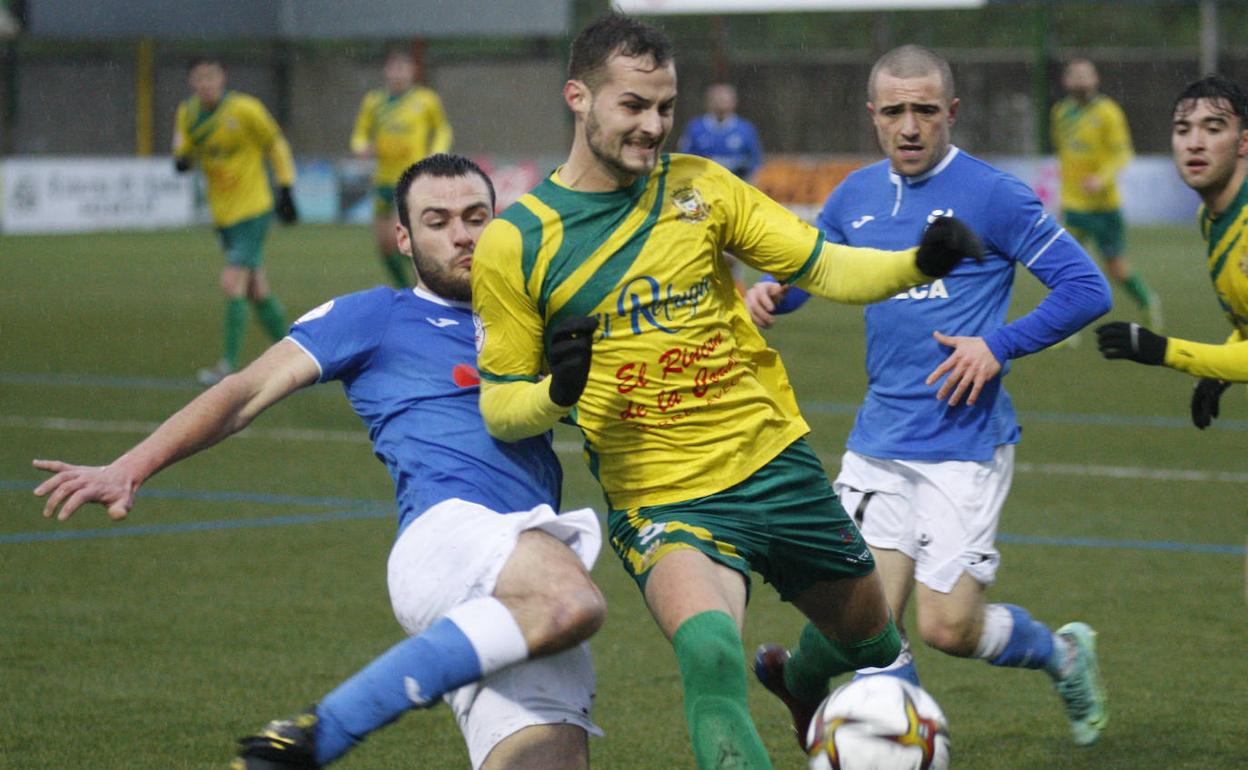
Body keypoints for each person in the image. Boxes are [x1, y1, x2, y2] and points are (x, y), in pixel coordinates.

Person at [470, 14, 981, 769]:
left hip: (773, 463)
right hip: (662, 495)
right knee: (708, 651)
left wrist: (918, 263)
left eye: (664, 108)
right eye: (633, 106)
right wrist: (557, 391)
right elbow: (501, 406)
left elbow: (823, 266)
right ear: (578, 98)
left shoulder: (702, 189)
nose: (653, 127)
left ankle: (800, 678)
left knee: (869, 641)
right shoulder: (518, 240)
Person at [33, 155, 606, 770]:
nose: (462, 235)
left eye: (476, 217)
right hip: (452, 535)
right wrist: (130, 467)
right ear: (404, 239)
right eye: (437, 221)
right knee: (573, 603)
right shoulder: (376, 316)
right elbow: (243, 393)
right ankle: (322, 731)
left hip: (524, 563)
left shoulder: (533, 321)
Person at [745, 45, 1112, 748]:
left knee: (949, 628)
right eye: (894, 112)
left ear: (951, 112)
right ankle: (863, 723)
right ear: (873, 117)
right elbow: (816, 269)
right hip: (880, 439)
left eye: (923, 110)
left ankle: (1064, 653)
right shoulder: (853, 195)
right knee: (869, 625)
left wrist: (996, 346)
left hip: (964, 444)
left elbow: (1086, 289)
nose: (909, 126)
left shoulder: (995, 195)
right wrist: (774, 292)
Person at [1096, 74, 1248, 428]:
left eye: (1213, 129)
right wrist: (1219, 372)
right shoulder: (1212, 218)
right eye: (1183, 130)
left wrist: (1167, 351)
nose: (1195, 143)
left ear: (1243, 143)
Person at [173, 57, 300, 387]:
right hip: (224, 215)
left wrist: (286, 186)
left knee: (233, 282)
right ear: (192, 83)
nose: (206, 84)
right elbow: (183, 152)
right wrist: (182, 159)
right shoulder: (187, 113)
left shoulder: (245, 109)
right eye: (199, 79)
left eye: (211, 77)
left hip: (253, 209)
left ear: (222, 78)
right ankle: (299, 356)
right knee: (256, 290)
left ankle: (227, 365)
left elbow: (275, 143)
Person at [1052, 58, 1161, 330]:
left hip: (1104, 206)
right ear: (1066, 82)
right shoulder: (1060, 112)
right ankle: (1064, 329)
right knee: (1065, 268)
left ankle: (1148, 301)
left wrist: (1101, 178)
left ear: (1095, 79)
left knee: (1115, 267)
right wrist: (1061, 199)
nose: (1079, 80)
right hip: (1074, 205)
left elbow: (1123, 152)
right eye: (1074, 75)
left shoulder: (1108, 112)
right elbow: (1064, 156)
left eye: (1084, 75)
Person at [351, 49, 454, 288]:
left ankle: (429, 283)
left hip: (412, 179)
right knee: (384, 246)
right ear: (386, 71)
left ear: (412, 71)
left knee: (402, 238)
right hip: (382, 179)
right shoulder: (373, 102)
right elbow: (360, 132)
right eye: (394, 68)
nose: (398, 73)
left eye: (403, 68)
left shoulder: (425, 100)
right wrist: (360, 146)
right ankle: (406, 288)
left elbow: (442, 129)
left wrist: (437, 151)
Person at [677, 81, 764, 293]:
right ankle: (699, 294)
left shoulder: (745, 130)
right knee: (701, 251)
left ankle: (736, 299)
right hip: (702, 201)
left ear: (734, 102)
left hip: (733, 201)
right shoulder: (696, 129)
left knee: (732, 255)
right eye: (716, 98)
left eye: (725, 98)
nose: (720, 102)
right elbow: (684, 163)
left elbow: (754, 164)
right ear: (708, 101)